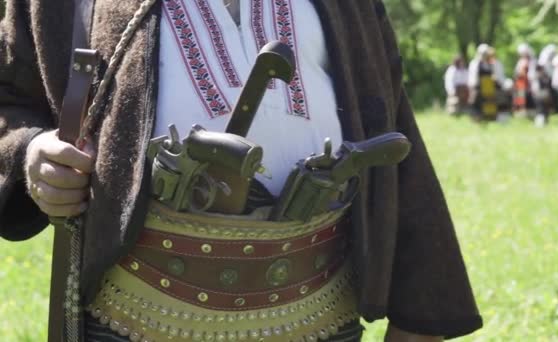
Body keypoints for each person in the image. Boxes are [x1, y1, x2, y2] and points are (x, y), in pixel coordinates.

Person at [0, 1, 482, 341]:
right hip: (134, 320)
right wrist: (29, 152)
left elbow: (391, 120)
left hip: (321, 316)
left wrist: (422, 313)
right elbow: (10, 100)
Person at [468, 44, 501, 121]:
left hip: (488, 86)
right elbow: (473, 76)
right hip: (478, 86)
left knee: (489, 102)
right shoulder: (475, 63)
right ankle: (476, 118)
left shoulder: (490, 64)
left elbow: (494, 73)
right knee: (476, 102)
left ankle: (488, 117)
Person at [513, 43, 536, 116]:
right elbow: (517, 72)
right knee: (520, 97)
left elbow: (531, 72)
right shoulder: (520, 61)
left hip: (528, 82)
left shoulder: (531, 61)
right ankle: (521, 112)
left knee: (529, 96)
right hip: (520, 82)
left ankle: (530, 113)